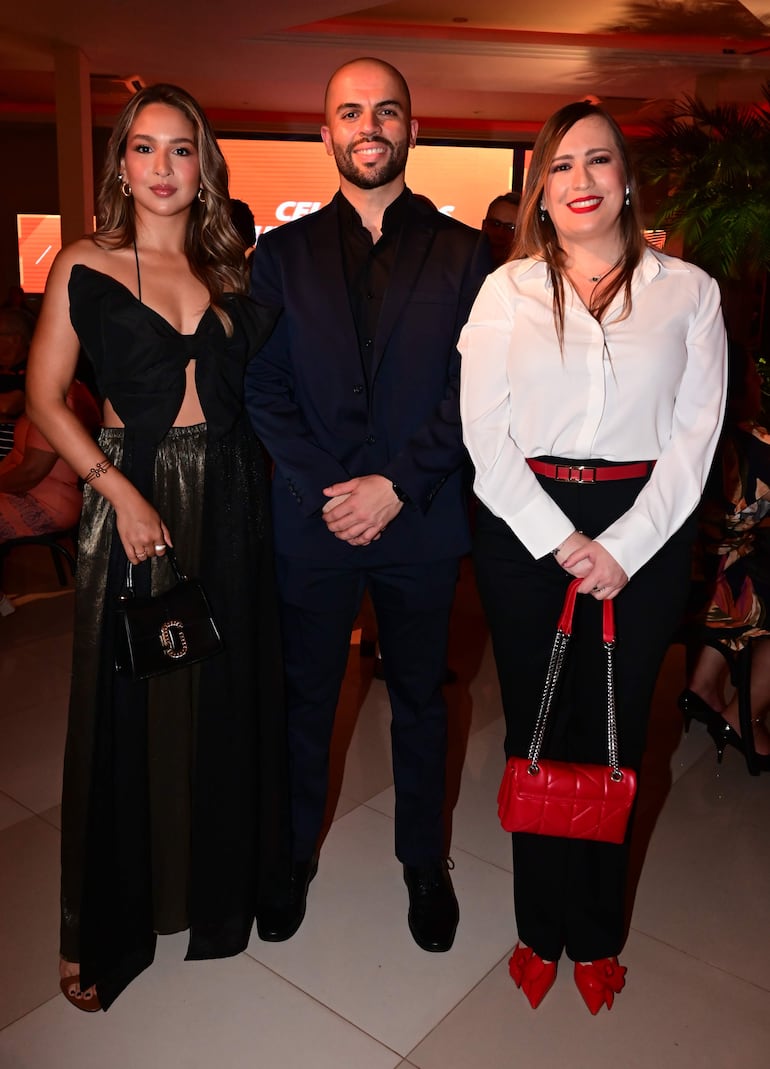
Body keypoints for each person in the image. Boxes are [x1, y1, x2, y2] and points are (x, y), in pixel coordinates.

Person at [25, 83, 289, 1012]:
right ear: (121, 163)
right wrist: (120, 492)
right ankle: (101, 923)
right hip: (128, 499)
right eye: (146, 148)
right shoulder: (85, 263)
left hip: (230, 503)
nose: (164, 167)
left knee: (218, 699)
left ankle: (209, 895)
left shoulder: (233, 277)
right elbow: (47, 399)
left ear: (205, 167)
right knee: (121, 708)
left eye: (183, 150)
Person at [459, 101, 727, 1012]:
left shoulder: (690, 292)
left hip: (644, 520)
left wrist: (625, 546)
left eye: (598, 161)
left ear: (625, 179)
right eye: (561, 165)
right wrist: (564, 540)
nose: (581, 180)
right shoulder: (507, 291)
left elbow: (695, 440)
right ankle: (540, 927)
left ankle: (599, 935)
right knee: (537, 729)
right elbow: (483, 435)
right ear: (540, 187)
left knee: (613, 734)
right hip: (525, 517)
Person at [246, 57, 490, 952]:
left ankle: (423, 862)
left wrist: (396, 483)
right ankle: (291, 857)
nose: (370, 125)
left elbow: (476, 387)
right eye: (350, 112)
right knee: (305, 696)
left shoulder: (467, 254)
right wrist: (329, 489)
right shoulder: (279, 256)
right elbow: (262, 388)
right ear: (327, 134)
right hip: (312, 523)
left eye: (387, 111)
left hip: (420, 517)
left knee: (421, 700)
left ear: (413, 131)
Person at [679, 343, 770, 773]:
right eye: (755, 375)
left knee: (740, 564)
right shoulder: (758, 446)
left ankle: (703, 684)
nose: (760, 382)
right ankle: (744, 714)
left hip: (674, 585)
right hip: (715, 591)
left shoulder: (683, 436)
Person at [0, 378, 100, 616]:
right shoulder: (55, 390)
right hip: (30, 491)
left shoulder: (63, 398)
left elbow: (32, 473)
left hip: (44, 502)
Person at [481, 192, 520, 268]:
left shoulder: (528, 277)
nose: (500, 233)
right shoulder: (461, 268)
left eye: (510, 227)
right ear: (484, 225)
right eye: (495, 224)